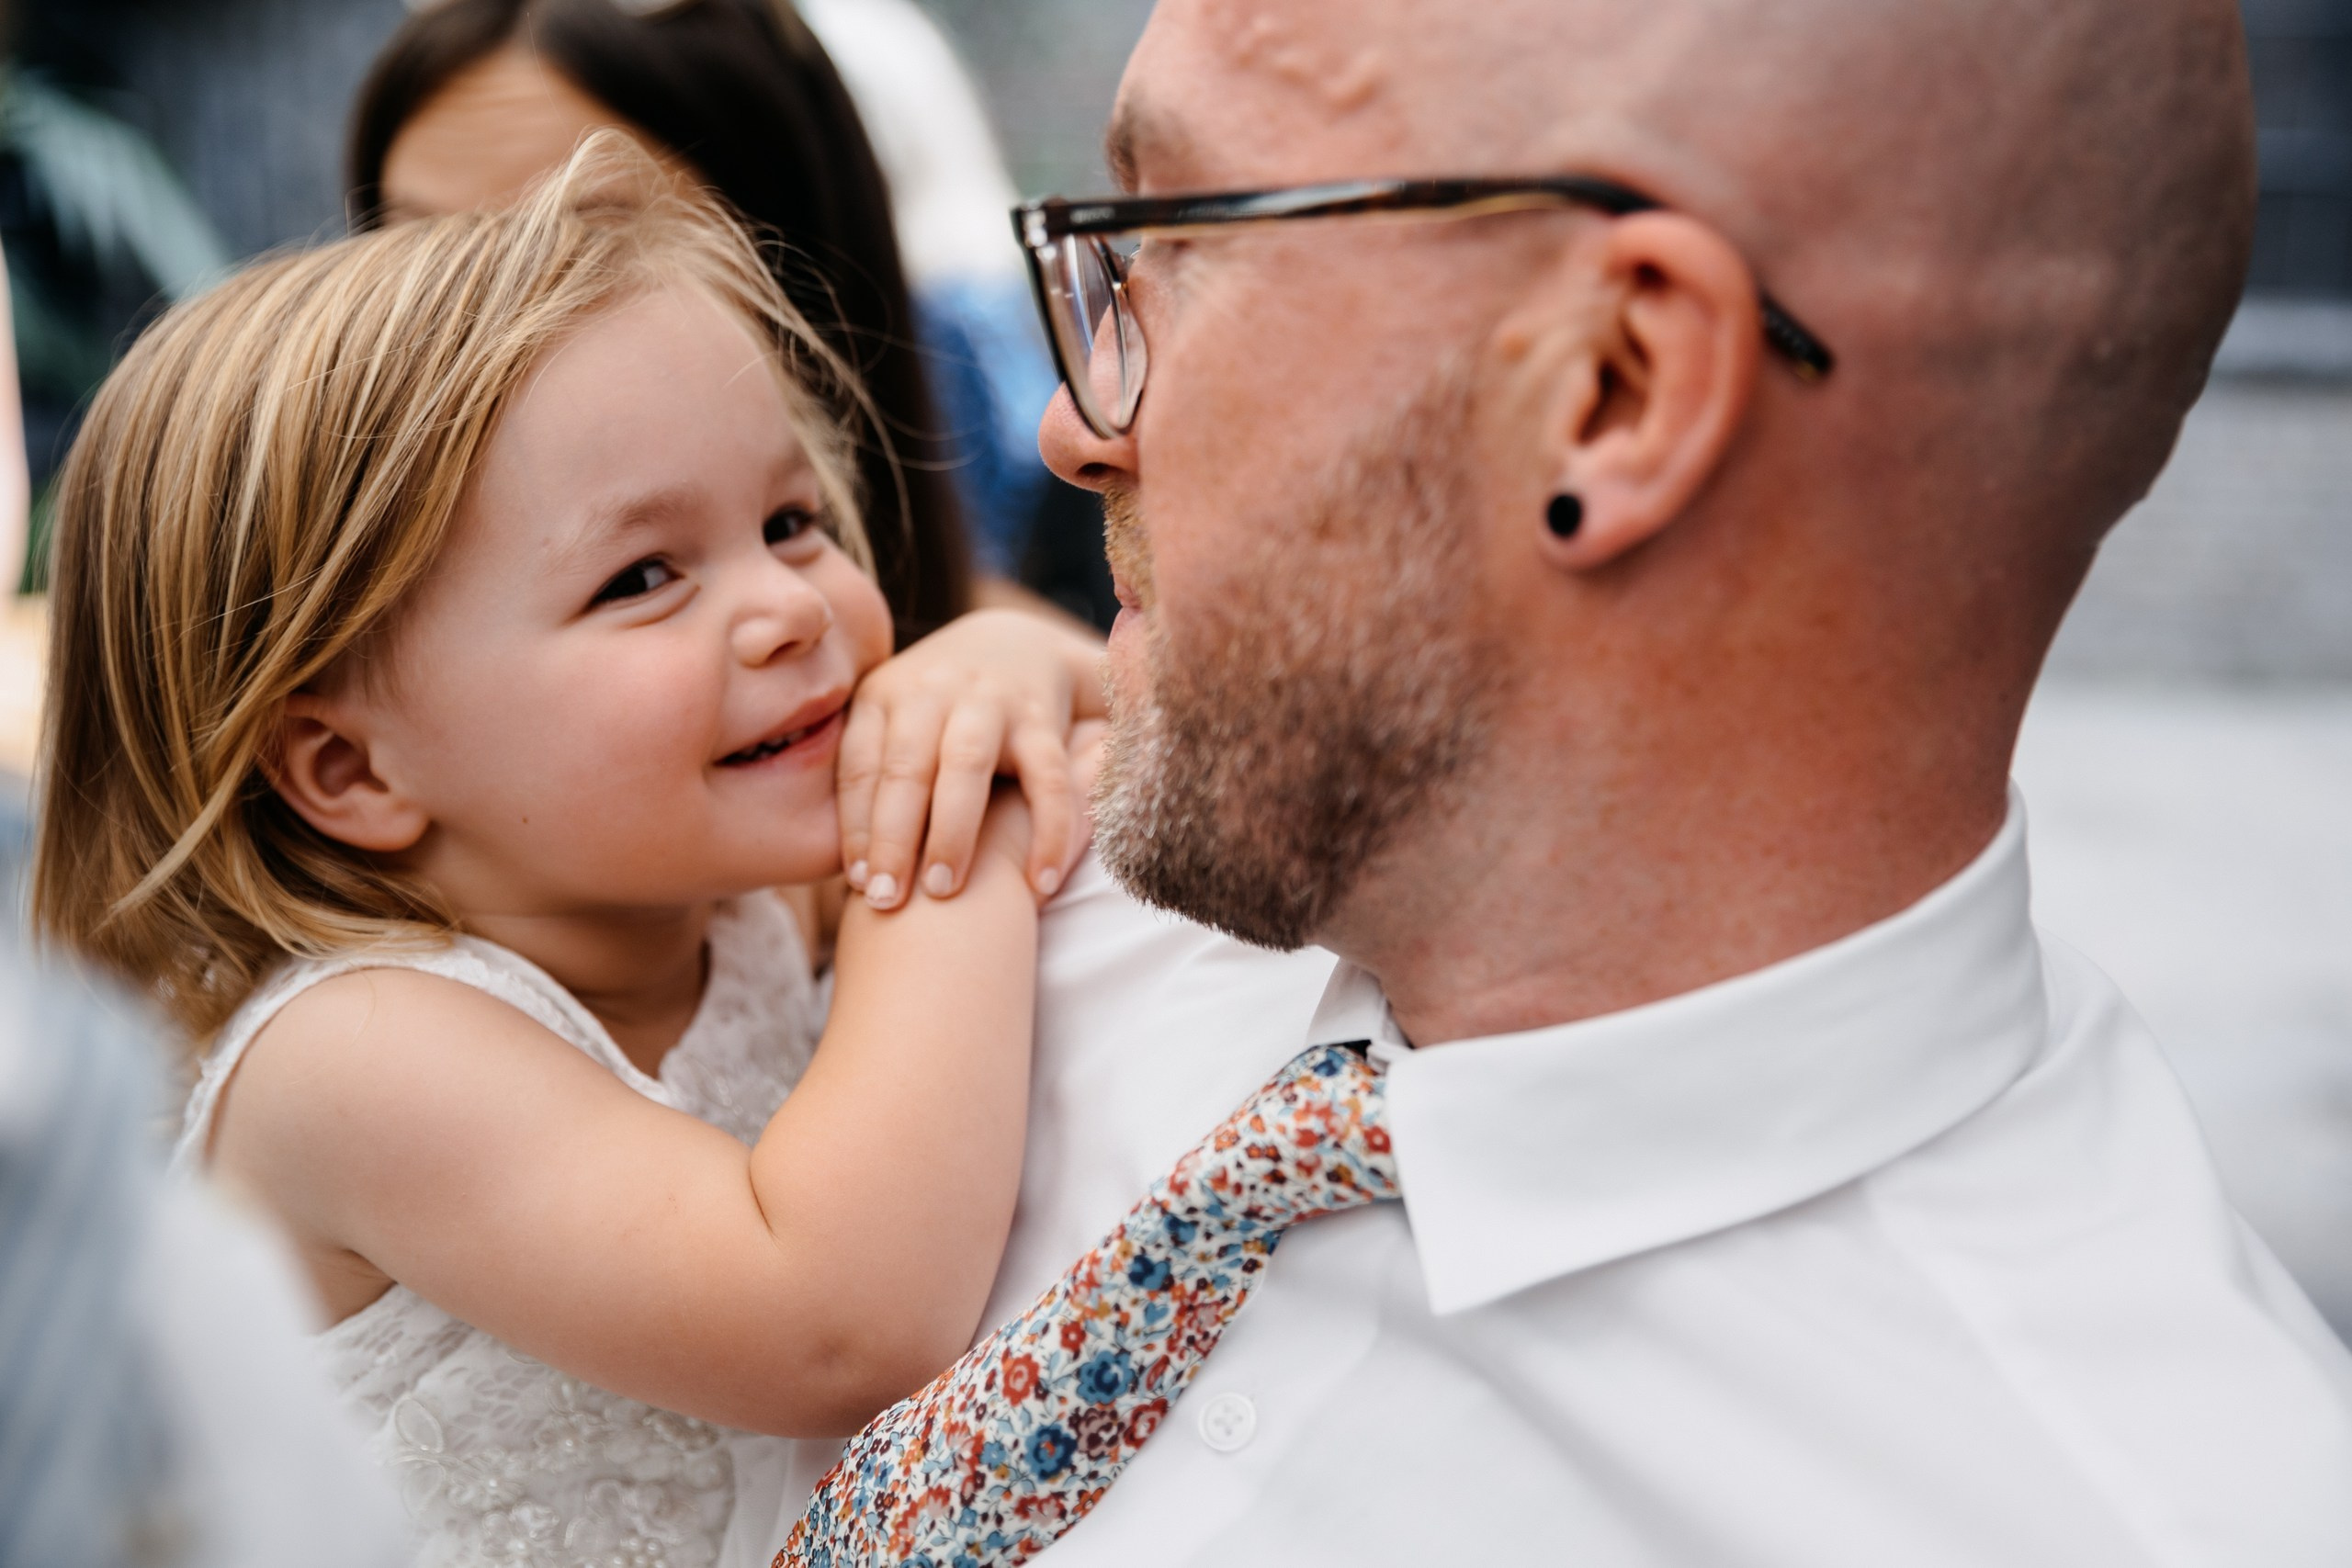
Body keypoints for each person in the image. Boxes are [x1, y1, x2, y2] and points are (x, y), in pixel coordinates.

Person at [922, 0, 2352, 1562]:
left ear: (1610, 390)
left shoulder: (2121, 1516)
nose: (1069, 428)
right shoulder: (993, 910)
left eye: (1170, 247)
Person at [29, 142, 1107, 1567]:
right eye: (642, 577)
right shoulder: (355, 1053)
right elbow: (841, 1313)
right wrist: (959, 811)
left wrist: (1012, 660)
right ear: (351, 767)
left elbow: (1102, 705)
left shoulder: (731, 893)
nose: (790, 604)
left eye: (789, 521)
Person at [347, 0, 975, 645]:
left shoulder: (1015, 690)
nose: (489, 336)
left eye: (589, 246)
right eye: (419, 253)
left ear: (793, 268)